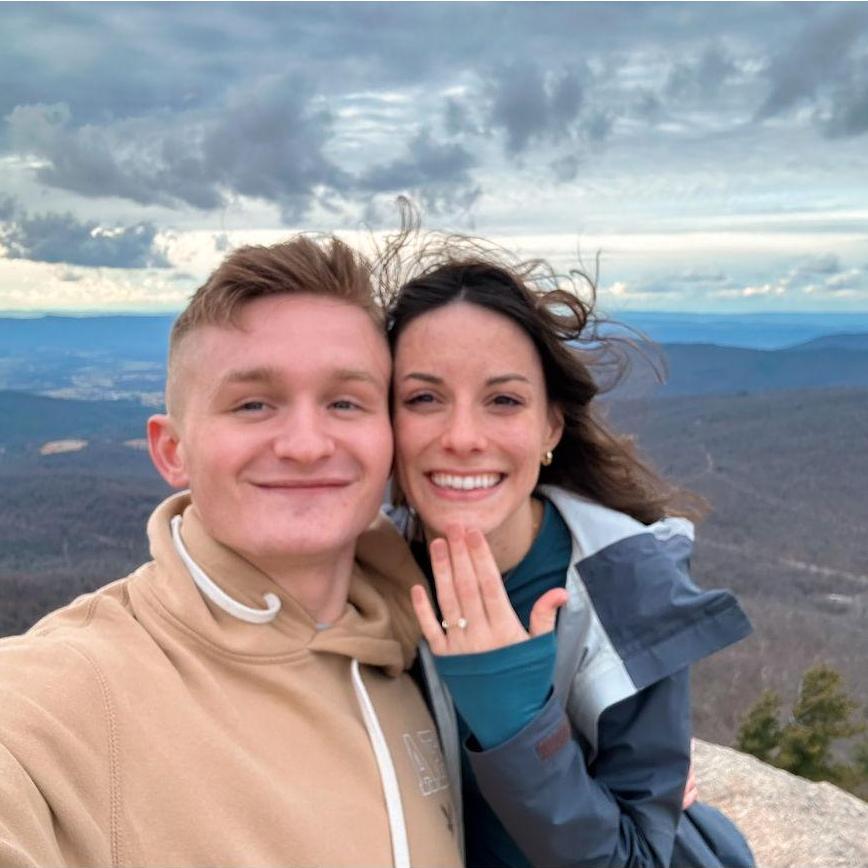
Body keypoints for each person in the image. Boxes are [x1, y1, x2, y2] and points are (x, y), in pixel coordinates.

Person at [0, 237, 462, 867]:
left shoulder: (433, 652)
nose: (305, 444)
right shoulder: (72, 696)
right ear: (171, 451)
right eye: (253, 404)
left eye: (345, 402)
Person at [382, 237, 756, 867]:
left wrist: (518, 725)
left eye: (503, 400)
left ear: (550, 426)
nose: (463, 437)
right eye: (423, 398)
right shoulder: (357, 572)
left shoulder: (624, 588)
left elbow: (638, 856)